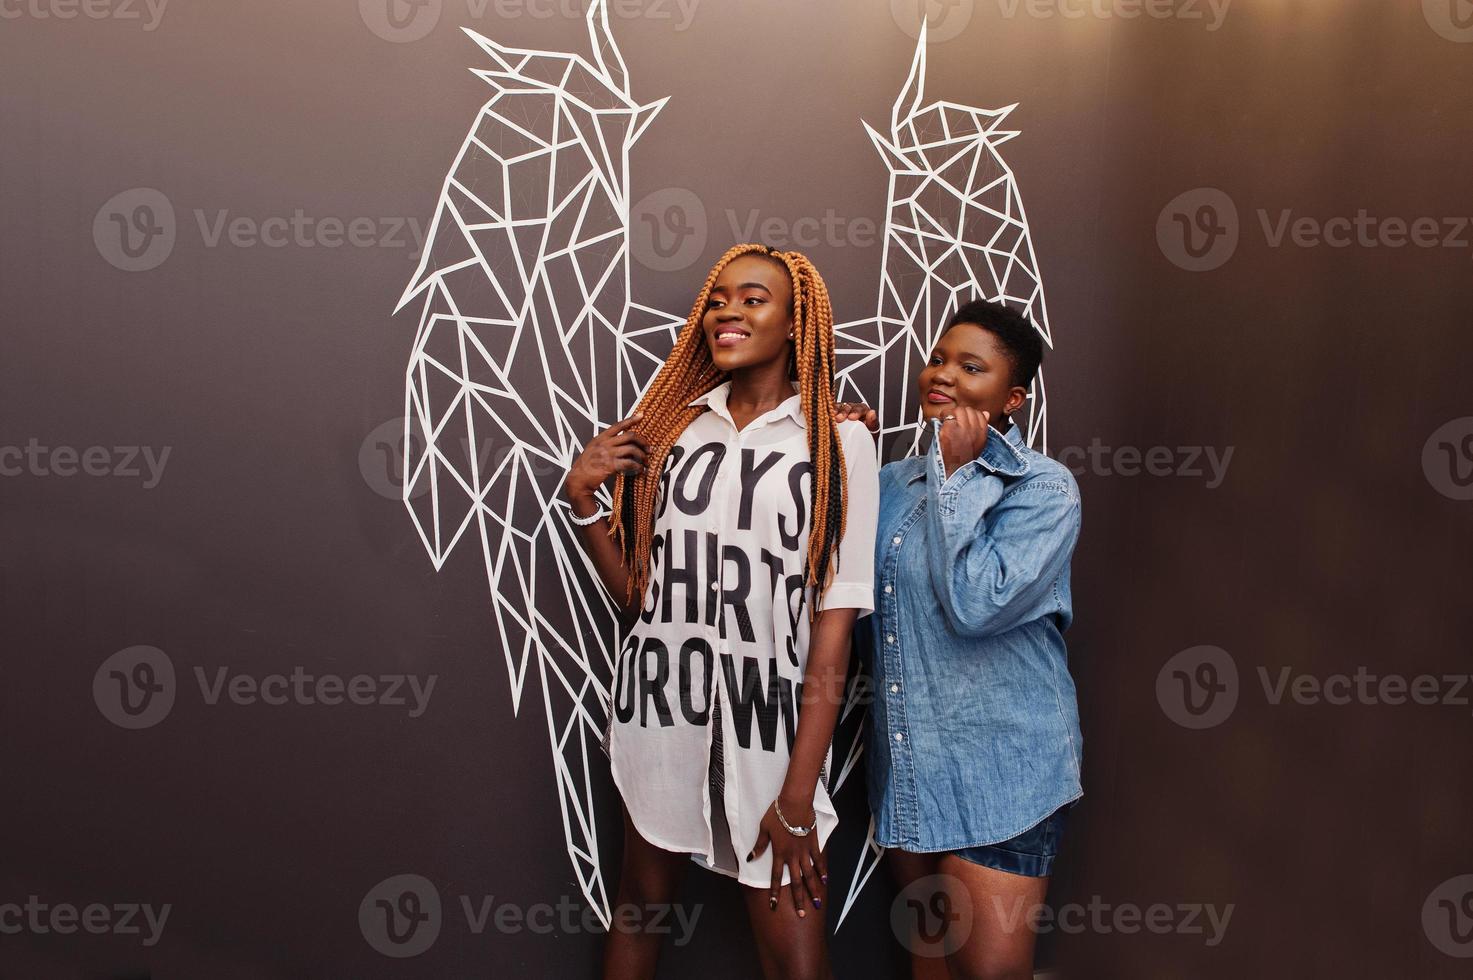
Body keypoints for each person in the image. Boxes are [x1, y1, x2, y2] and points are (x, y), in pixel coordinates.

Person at [564, 243, 879, 980]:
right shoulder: (674, 430)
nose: (727, 312)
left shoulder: (841, 442)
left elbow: (833, 632)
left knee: (796, 957)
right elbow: (644, 600)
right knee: (639, 909)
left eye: (753, 298)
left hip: (770, 734)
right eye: (717, 299)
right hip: (660, 714)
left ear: (798, 323)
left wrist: (798, 796)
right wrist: (584, 503)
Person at [846, 298, 1082, 979]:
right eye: (937, 358)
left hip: (1003, 771)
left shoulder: (1040, 488)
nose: (942, 373)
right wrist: (840, 458)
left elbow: (977, 605)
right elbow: (838, 597)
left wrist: (954, 477)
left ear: (1011, 397)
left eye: (969, 366)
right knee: (931, 963)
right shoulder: (889, 484)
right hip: (912, 767)